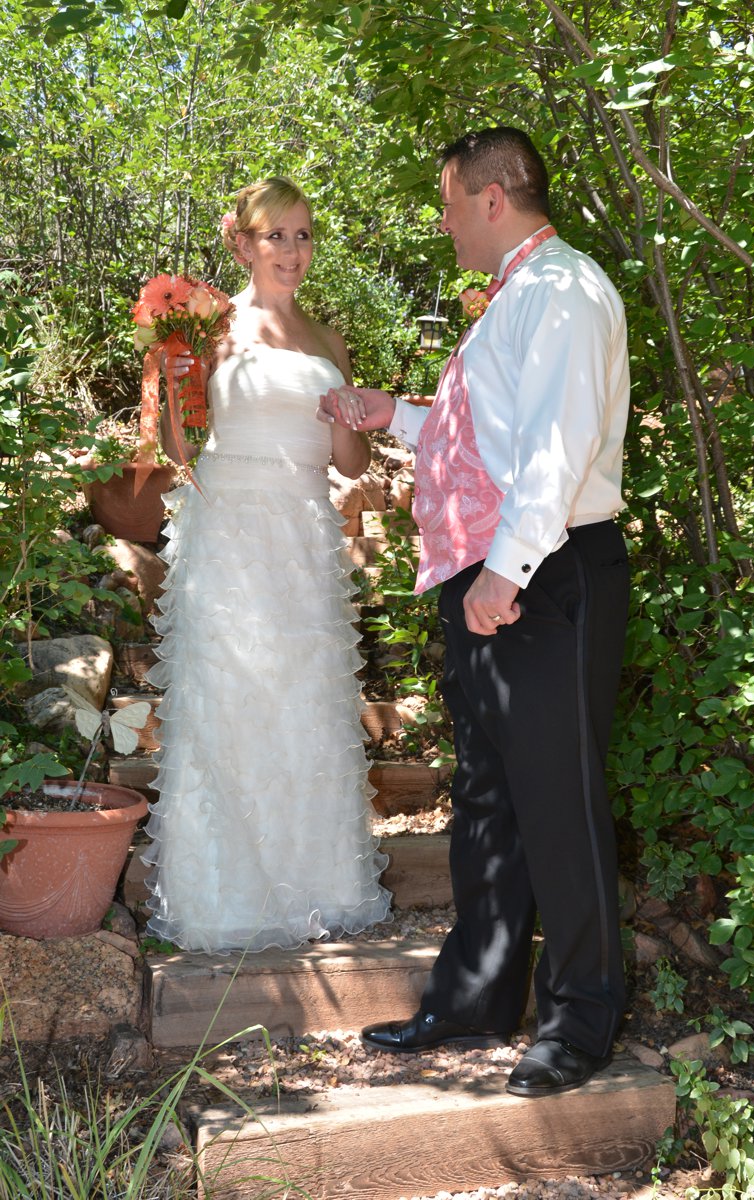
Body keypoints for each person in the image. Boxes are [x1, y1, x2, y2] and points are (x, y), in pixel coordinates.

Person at [318, 128, 630, 1096]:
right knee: (489, 797)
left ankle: (578, 1025)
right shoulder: (515, 299)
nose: (445, 222)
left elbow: (554, 450)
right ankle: (477, 997)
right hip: (491, 573)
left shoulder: (565, 292)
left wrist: (504, 572)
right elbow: (487, 432)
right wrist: (395, 415)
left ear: (493, 197)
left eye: (450, 203)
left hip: (540, 572)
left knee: (558, 802)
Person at [143, 176, 392, 953]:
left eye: (304, 235)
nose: (292, 250)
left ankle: (318, 885)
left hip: (303, 535)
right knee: (228, 703)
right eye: (277, 236)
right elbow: (176, 458)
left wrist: (347, 415)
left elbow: (349, 458)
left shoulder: (327, 341)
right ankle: (222, 898)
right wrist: (173, 389)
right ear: (243, 244)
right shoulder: (204, 335)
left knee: (305, 706)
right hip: (226, 533)